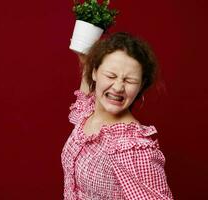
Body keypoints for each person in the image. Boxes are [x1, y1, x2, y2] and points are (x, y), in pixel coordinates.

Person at [61, 32, 173, 200]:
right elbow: (85, 96)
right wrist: (85, 59)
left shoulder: (132, 147)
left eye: (130, 81)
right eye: (110, 76)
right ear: (94, 73)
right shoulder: (89, 113)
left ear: (141, 86)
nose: (118, 87)